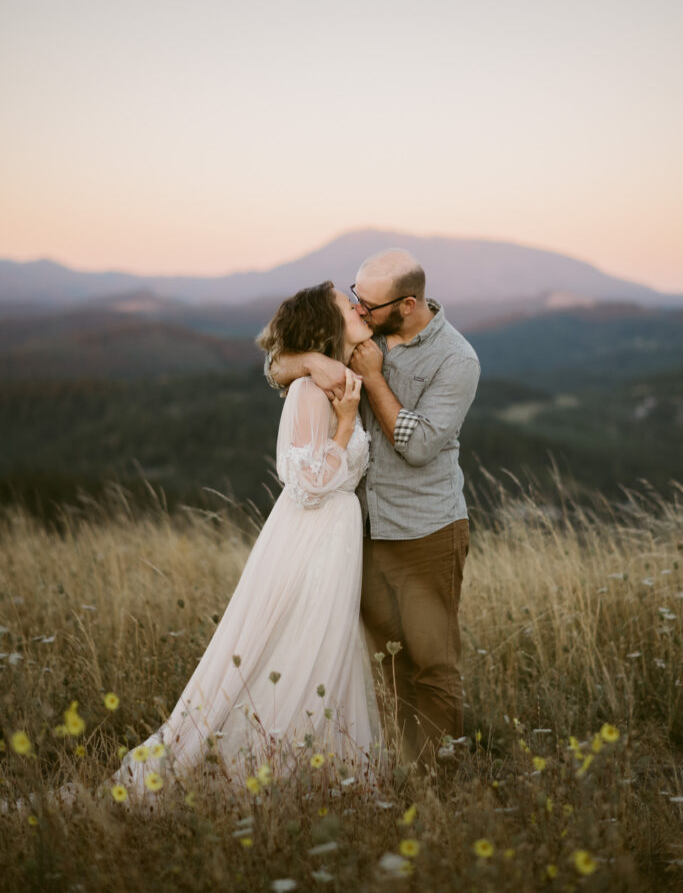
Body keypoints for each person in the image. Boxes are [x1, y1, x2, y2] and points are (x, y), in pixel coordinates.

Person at [20, 281, 381, 813]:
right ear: (327, 329)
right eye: (347, 305)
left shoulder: (338, 374)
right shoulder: (310, 390)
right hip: (312, 537)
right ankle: (271, 767)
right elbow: (304, 484)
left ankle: (322, 769)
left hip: (337, 536)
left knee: (327, 647)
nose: (357, 306)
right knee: (296, 646)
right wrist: (347, 421)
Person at [267, 250, 480, 766]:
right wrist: (313, 361)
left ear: (408, 304)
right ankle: (406, 769)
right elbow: (276, 362)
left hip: (425, 530)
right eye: (354, 296)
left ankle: (440, 782)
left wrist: (375, 378)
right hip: (361, 534)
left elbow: (420, 444)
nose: (358, 308)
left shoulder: (456, 359)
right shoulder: (367, 331)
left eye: (368, 301)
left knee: (432, 664)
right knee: (390, 664)